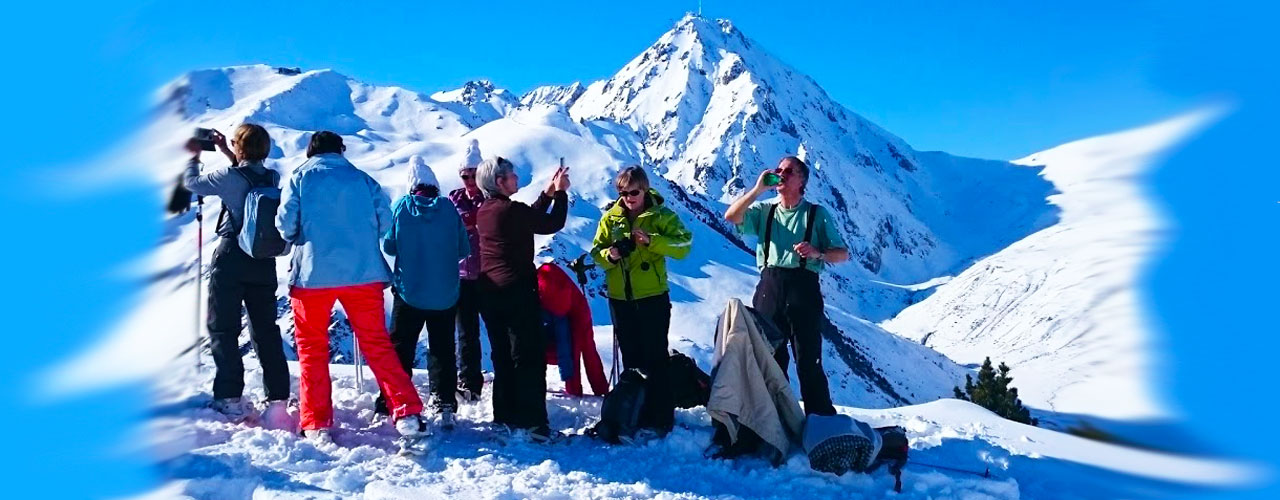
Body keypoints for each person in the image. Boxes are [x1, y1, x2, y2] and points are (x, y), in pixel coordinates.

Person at [275, 131, 426, 443]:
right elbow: (386, 222)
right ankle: (407, 411)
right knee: (377, 345)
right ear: (341, 150)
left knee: (312, 349)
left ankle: (316, 422)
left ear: (310, 151)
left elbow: (286, 224)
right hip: (363, 272)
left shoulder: (300, 178)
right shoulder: (362, 179)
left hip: (313, 276)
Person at [723, 156, 850, 416]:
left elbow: (842, 254)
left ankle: (820, 421)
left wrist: (818, 253)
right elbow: (731, 216)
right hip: (769, 288)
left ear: (802, 180)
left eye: (788, 171)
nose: (781, 174)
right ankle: (776, 419)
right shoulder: (765, 212)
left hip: (804, 289)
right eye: (779, 170)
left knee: (808, 360)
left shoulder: (816, 214)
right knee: (770, 360)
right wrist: (758, 189)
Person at [182, 124, 291, 425]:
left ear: (240, 147)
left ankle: (230, 396)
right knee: (265, 330)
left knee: (224, 327)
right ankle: (278, 399)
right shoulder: (273, 177)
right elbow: (246, 176)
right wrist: (231, 153)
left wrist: (193, 157)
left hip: (231, 257)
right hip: (263, 259)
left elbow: (193, 184)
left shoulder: (227, 177)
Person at [474, 157, 571, 442]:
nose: (516, 178)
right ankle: (534, 425)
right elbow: (551, 222)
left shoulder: (487, 210)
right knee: (528, 357)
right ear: (499, 182)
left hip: (490, 292)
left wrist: (547, 194)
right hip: (517, 291)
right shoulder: (510, 210)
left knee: (503, 357)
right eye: (511, 175)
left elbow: (527, 218)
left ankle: (505, 418)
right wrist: (562, 193)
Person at [590, 166, 692, 435]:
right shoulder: (610, 219)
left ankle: (660, 419)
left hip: (652, 298)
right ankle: (636, 412)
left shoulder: (661, 216)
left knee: (656, 358)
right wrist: (611, 255)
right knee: (632, 358)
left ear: (645, 189)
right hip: (620, 299)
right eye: (623, 192)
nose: (628, 197)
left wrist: (652, 241)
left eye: (633, 192)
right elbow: (595, 254)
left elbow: (684, 246)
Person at [377, 156, 471, 431]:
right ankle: (444, 402)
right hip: (446, 293)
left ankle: (393, 400)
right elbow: (463, 250)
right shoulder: (449, 209)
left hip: (409, 292)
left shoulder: (401, 208)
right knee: (442, 349)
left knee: (400, 347)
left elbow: (390, 246)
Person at [447, 139, 486, 402]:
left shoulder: (491, 198)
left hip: (488, 273)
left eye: (473, 175)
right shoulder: (453, 199)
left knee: (498, 328)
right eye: (465, 175)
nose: (469, 180)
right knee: (466, 332)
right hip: (462, 275)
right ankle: (469, 382)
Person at [537, 262, 609, 397]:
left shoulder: (577, 312)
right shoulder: (542, 288)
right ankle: (595, 389)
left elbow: (567, 348)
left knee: (582, 349)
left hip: (577, 313)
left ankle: (598, 388)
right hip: (555, 309)